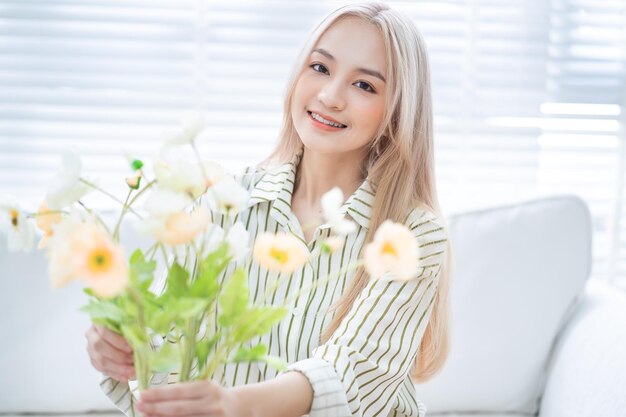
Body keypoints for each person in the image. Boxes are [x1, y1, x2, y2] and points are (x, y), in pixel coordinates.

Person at [85, 2, 453, 416]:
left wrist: (232, 404)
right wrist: (125, 351)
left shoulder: (413, 235)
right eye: (320, 68)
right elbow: (173, 349)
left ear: (398, 111)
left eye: (365, 86)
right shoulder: (225, 199)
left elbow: (353, 376)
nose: (330, 96)